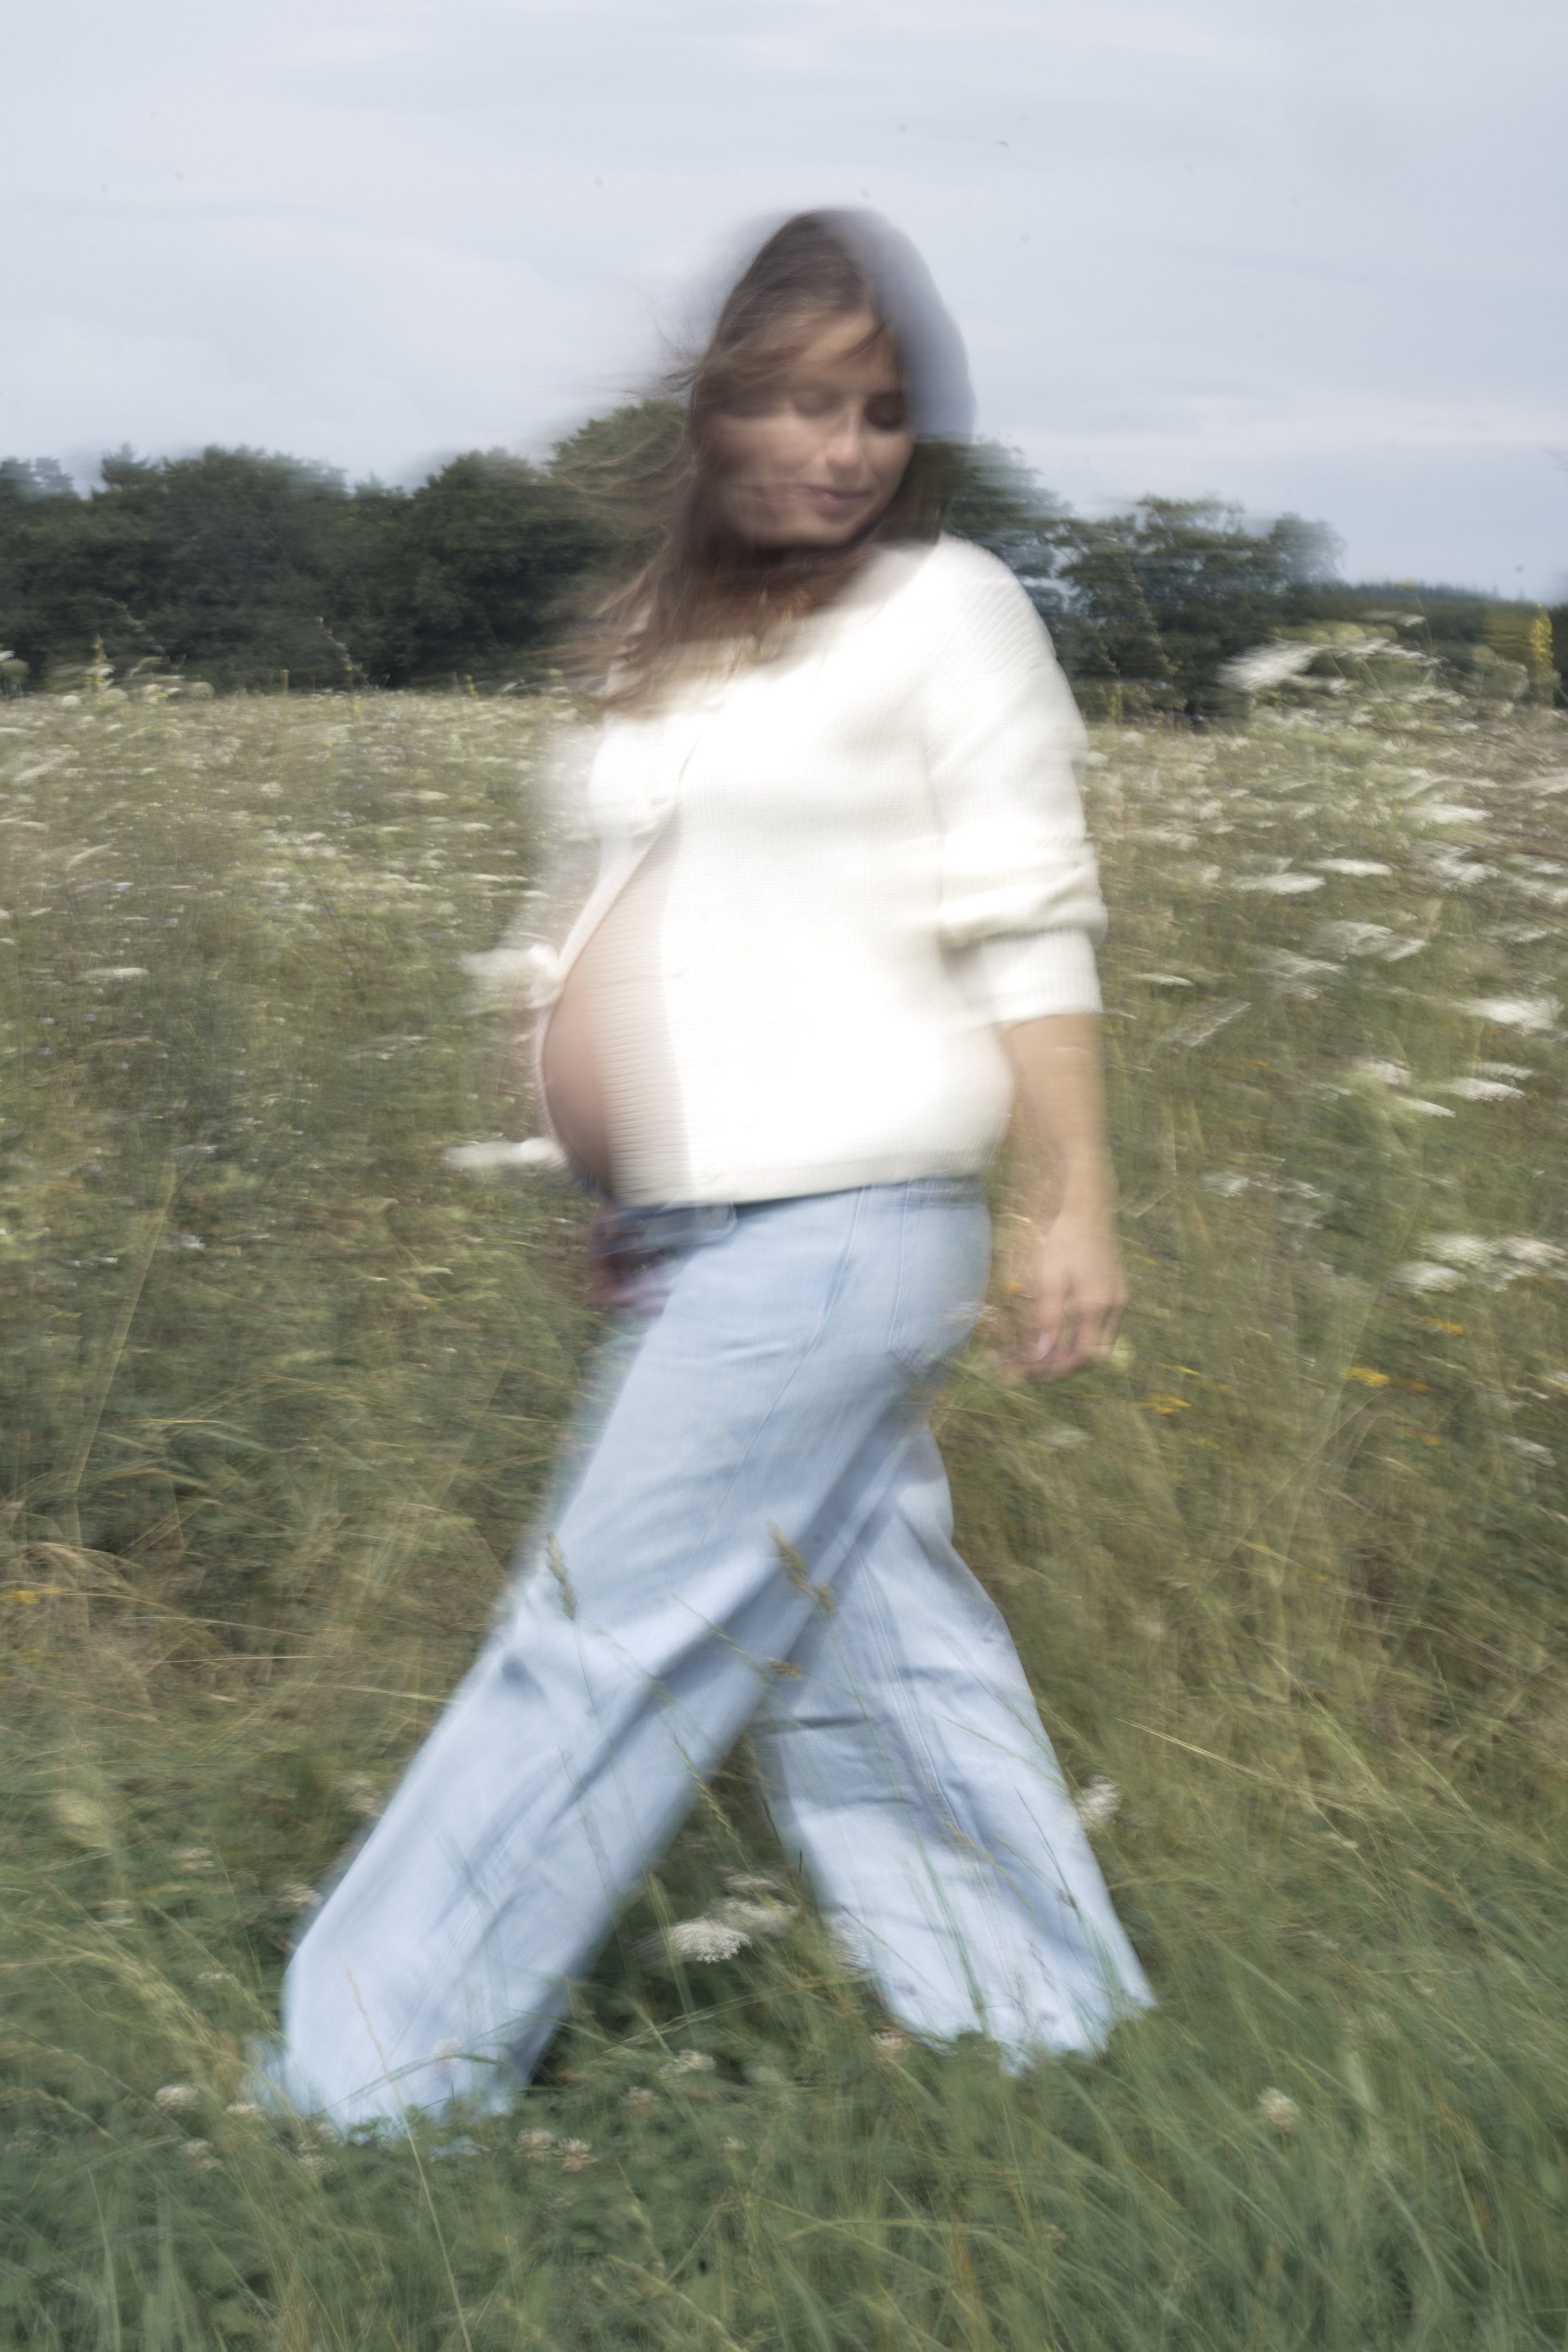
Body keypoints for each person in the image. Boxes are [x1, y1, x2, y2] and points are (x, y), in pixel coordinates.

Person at [255, 208, 1153, 2129]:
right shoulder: (662, 649)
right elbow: (607, 916)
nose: (842, 447)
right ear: (715, 406)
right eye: (802, 401)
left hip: (845, 1222)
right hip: (695, 1226)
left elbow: (1027, 919)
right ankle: (1043, 2026)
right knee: (862, 1655)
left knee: (586, 1642)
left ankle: (368, 2086)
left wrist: (1069, 1199)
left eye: (881, 409)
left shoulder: (944, 608)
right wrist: (611, 1176)